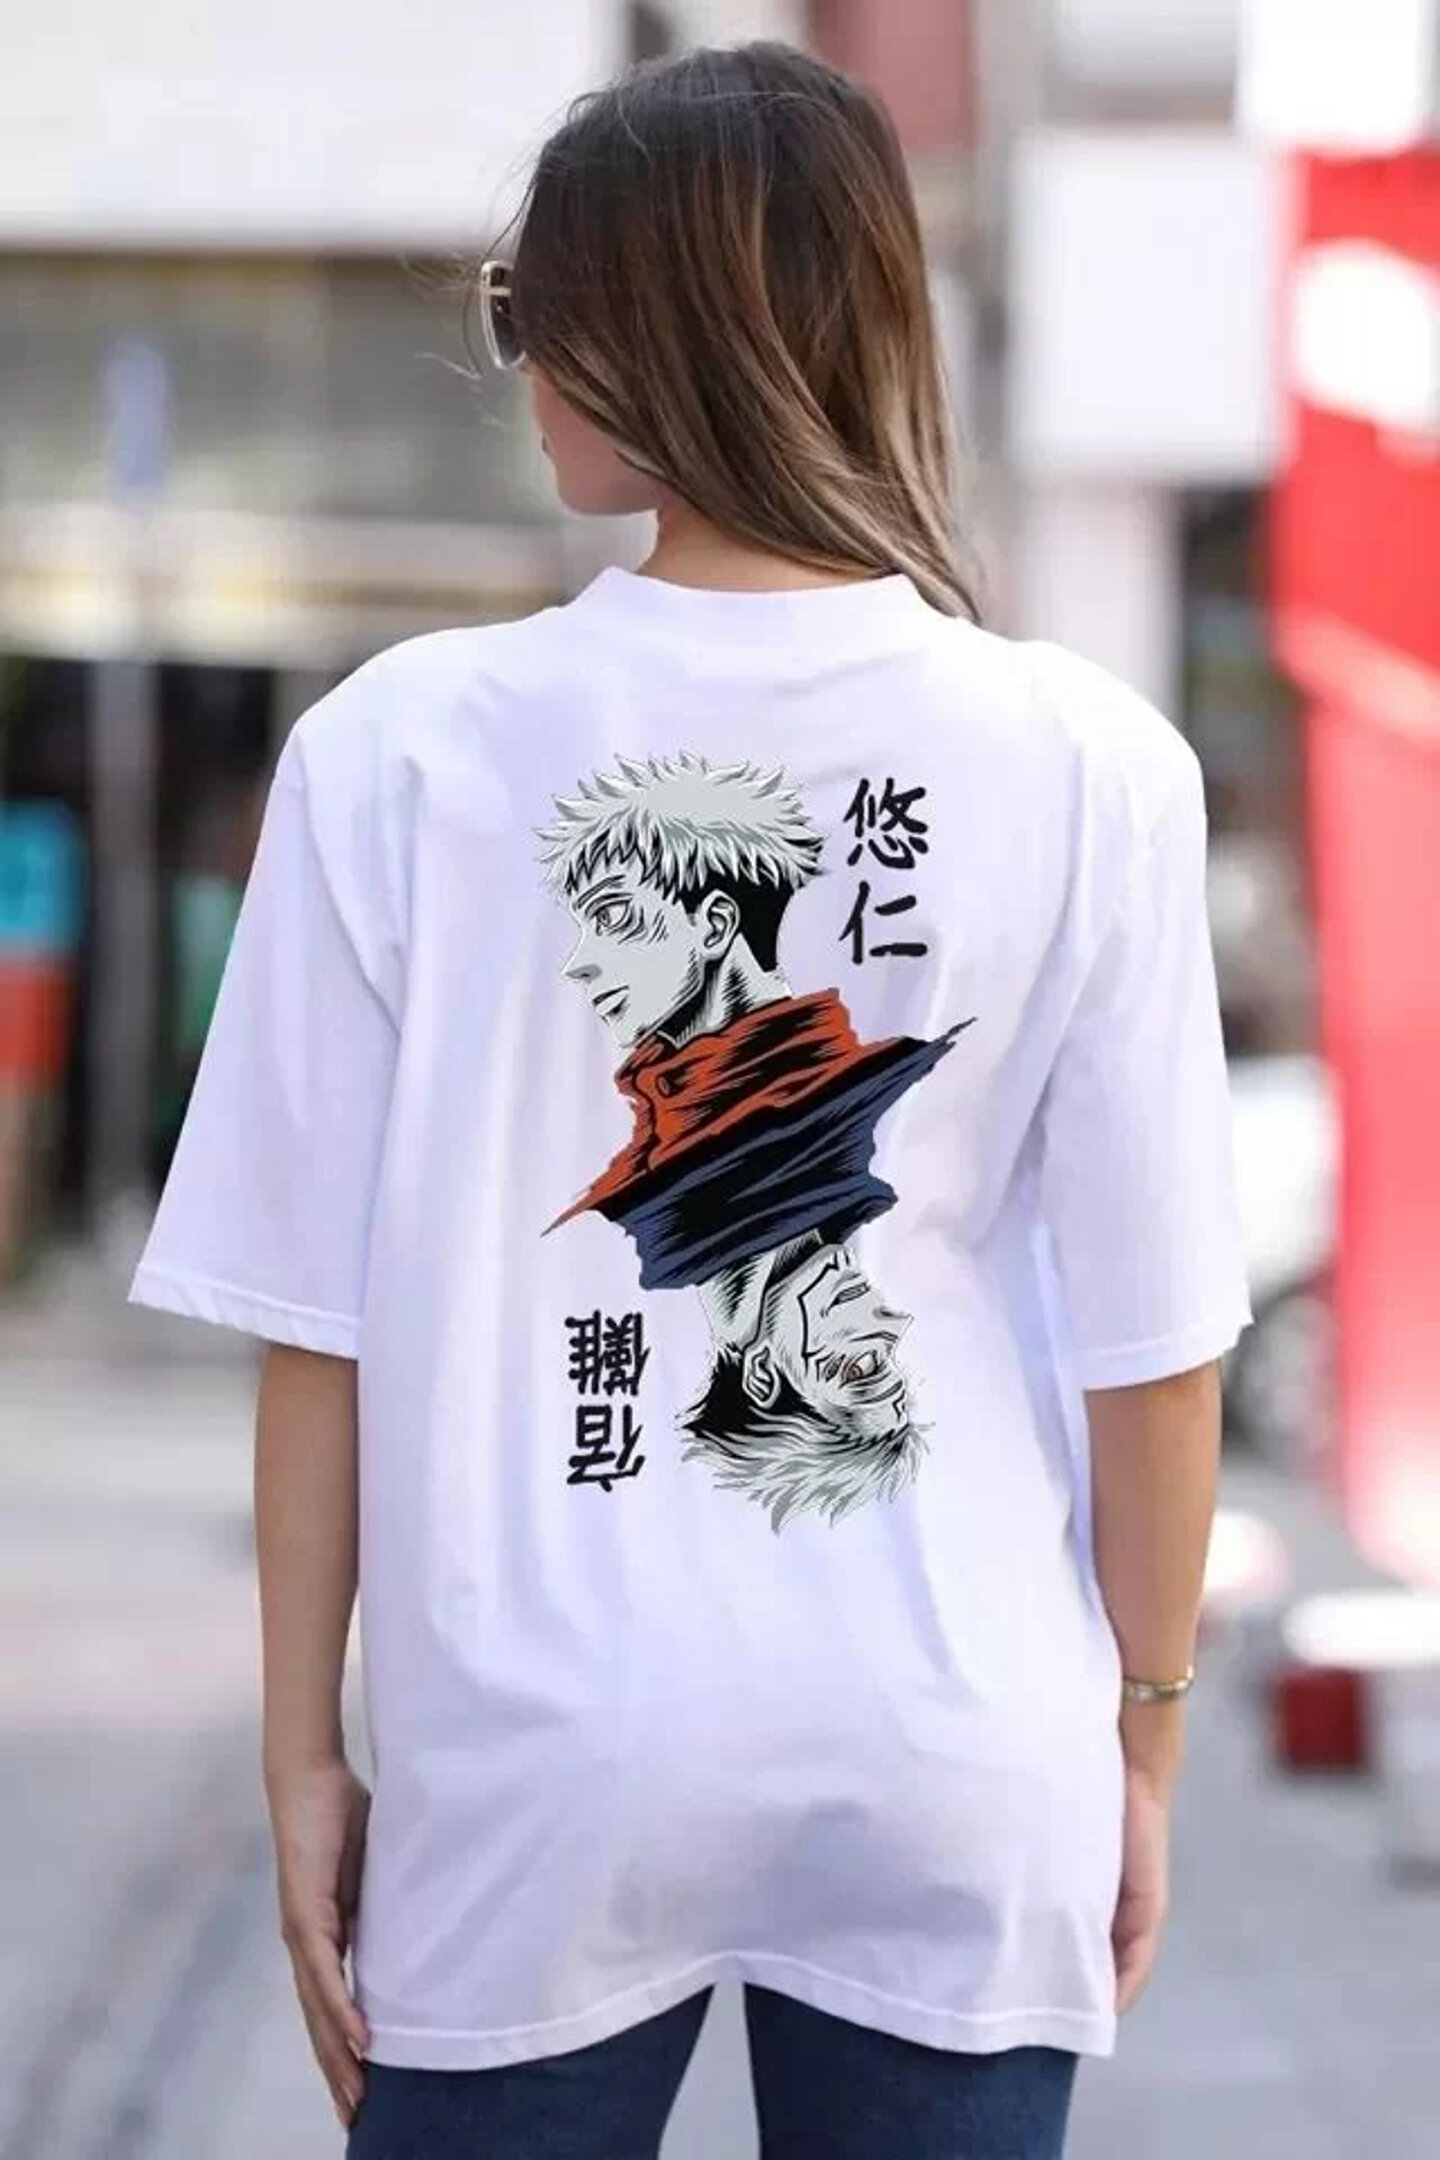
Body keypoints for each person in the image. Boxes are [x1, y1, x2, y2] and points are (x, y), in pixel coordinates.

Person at [127, 39, 1252, 2160]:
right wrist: (1147, 1735)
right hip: (957, 1729)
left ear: (646, 335)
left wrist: (304, 1757)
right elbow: (1156, 1351)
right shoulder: (1090, 763)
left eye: (524, 307)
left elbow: (319, 1333)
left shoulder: (399, 752)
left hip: (532, 1758)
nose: (518, 358)